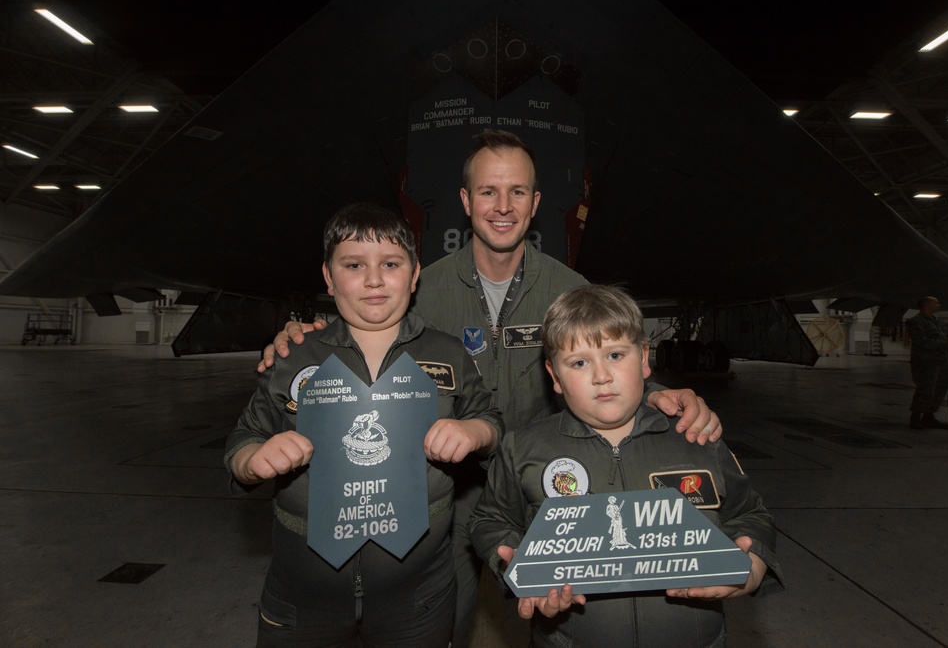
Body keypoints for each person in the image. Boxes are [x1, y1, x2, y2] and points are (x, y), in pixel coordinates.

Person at [258, 129, 722, 646]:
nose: (502, 206)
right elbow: (360, 331)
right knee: (439, 628)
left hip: (544, 488)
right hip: (446, 497)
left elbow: (608, 358)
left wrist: (657, 391)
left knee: (558, 621)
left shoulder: (569, 289)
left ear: (536, 202)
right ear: (465, 200)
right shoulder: (418, 288)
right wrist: (302, 339)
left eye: (517, 192)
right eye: (487, 192)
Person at [225, 203, 502, 646]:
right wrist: (251, 461)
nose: (374, 279)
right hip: (303, 598)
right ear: (329, 277)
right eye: (354, 265)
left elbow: (492, 421)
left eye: (390, 264)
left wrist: (476, 432)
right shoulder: (295, 355)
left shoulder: (449, 353)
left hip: (417, 599)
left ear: (414, 276)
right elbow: (243, 438)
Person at [469, 285, 783, 647]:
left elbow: (751, 515)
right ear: (554, 376)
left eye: (616, 354)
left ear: (645, 359)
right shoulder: (523, 449)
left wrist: (754, 567)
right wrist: (515, 562)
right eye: (579, 362)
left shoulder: (696, 438)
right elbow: (490, 520)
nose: (601, 376)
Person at [905, 296, 948, 429]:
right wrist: (943, 343)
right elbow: (920, 341)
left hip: (941, 361)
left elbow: (946, 335)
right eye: (936, 303)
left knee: (940, 389)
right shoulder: (915, 321)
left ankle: (929, 416)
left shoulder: (937, 321)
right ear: (927, 305)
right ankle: (915, 418)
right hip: (925, 362)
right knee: (926, 389)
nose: (939, 305)